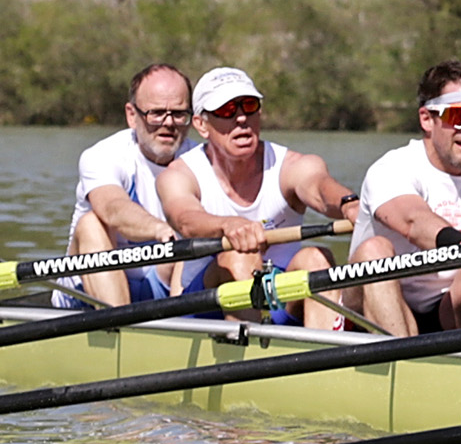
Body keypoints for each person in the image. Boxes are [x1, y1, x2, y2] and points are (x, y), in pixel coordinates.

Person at [156, 66, 362, 329]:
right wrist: (228, 225)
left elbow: (320, 188)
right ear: (201, 124)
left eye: (249, 105)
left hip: (278, 300)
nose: (241, 118)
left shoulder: (291, 165)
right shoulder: (179, 174)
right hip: (204, 308)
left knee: (316, 258)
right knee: (239, 257)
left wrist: (349, 204)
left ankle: (326, 358)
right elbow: (185, 218)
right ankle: (249, 357)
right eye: (227, 110)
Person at [342, 61, 461, 336]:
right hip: (372, 307)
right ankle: (402, 358)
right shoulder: (392, 168)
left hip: (448, 309)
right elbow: (414, 222)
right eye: (458, 115)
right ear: (426, 119)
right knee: (373, 251)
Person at [57, 63, 197, 307]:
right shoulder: (103, 155)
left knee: (194, 230)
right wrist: (158, 229)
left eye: (178, 113)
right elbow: (112, 207)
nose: (168, 123)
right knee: (91, 223)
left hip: (160, 283)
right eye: (156, 113)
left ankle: (181, 319)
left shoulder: (201, 161)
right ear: (132, 115)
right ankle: (118, 322)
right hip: (86, 292)